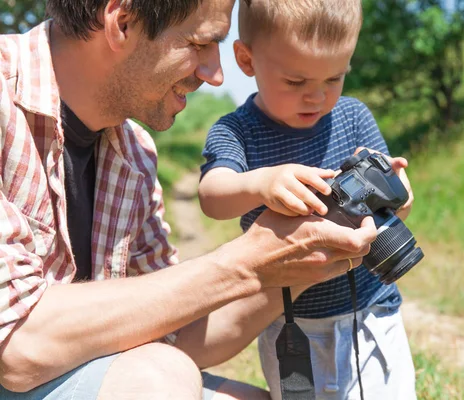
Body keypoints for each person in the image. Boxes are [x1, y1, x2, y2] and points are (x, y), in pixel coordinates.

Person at [0, 0, 380, 399]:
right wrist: (243, 263)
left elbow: (178, 332)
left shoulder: (134, 153)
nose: (216, 76)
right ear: (123, 22)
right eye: (201, 44)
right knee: (160, 380)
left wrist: (299, 260)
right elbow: (20, 346)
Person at [197, 0, 417, 398]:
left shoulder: (352, 117)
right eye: (296, 83)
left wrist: (398, 194)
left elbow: (387, 193)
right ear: (247, 61)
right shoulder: (237, 131)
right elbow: (212, 196)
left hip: (372, 310)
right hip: (291, 321)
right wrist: (262, 183)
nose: (317, 97)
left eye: (334, 79)